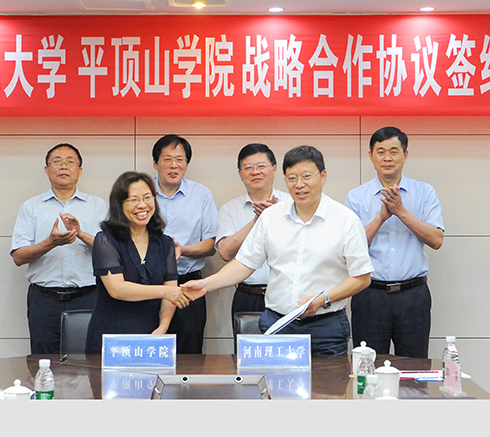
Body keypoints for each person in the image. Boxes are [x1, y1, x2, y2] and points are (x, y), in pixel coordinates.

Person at [182, 145, 373, 355]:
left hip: (326, 327)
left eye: (306, 176)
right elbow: (244, 264)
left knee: (326, 378)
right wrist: (205, 285)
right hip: (277, 324)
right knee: (270, 377)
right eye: (292, 178)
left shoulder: (345, 220)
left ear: (323, 176)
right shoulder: (271, 217)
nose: (299, 184)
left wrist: (323, 299)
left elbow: (362, 278)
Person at [345, 126, 444, 359]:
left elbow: (436, 240)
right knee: (368, 366)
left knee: (414, 366)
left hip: (413, 295)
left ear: (405, 155)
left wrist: (401, 211)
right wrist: (381, 218)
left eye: (393, 151)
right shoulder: (356, 197)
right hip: (369, 295)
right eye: (380, 152)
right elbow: (350, 248)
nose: (387, 158)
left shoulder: (424, 192)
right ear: (371, 156)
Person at [11, 143, 108, 354]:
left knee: (89, 362)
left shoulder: (98, 206)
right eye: (57, 161)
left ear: (80, 170)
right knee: (44, 362)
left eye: (70, 162)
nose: (63, 166)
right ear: (47, 169)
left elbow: (112, 251)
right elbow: (18, 256)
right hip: (44, 300)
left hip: (88, 297)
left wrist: (80, 234)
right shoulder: (31, 207)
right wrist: (51, 242)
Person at [85, 172, 191, 354]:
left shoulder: (165, 243)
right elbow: (117, 289)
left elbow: (171, 291)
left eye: (147, 197)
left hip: (152, 333)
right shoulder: (105, 240)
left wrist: (163, 326)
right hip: (111, 336)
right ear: (119, 204)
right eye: (133, 199)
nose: (142, 205)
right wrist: (165, 292)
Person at [152, 134, 218, 354]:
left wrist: (183, 250)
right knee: (150, 347)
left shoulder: (201, 195)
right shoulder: (142, 193)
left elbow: (211, 245)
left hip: (189, 287)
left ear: (187, 164)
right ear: (155, 163)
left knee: (189, 351)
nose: (174, 165)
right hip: (150, 285)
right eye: (167, 159)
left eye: (180, 160)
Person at [215, 143, 290, 327]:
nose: (255, 172)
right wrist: (257, 221)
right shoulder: (229, 209)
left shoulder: (292, 204)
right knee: (246, 345)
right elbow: (225, 252)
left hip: (287, 294)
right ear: (241, 174)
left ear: (274, 169)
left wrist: (275, 216)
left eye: (261, 166)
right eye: (248, 167)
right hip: (248, 295)